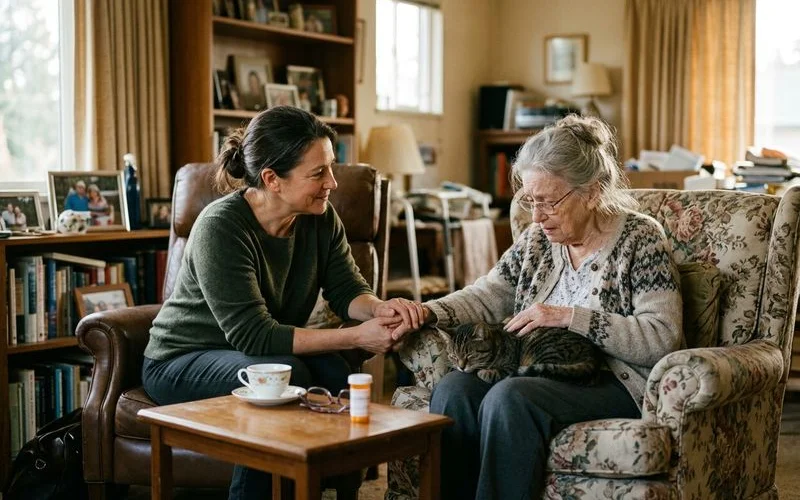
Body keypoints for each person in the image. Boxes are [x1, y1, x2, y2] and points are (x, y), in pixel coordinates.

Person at [392, 115, 683, 499]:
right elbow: (487, 294)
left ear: (592, 192)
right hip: (536, 371)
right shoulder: (538, 240)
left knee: (509, 397)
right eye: (530, 201)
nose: (537, 216)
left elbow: (663, 336)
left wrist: (568, 317)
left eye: (548, 202)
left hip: (611, 381)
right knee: (455, 388)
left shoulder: (640, 239)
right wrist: (426, 311)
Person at [140, 106, 420, 500]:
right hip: (181, 360)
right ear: (272, 179)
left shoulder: (320, 217)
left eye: (331, 168)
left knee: (334, 371)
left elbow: (346, 289)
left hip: (252, 353)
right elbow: (255, 336)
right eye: (318, 173)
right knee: (281, 376)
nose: (333, 183)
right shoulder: (221, 226)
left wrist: (378, 309)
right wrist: (358, 336)